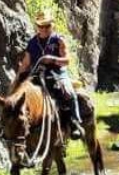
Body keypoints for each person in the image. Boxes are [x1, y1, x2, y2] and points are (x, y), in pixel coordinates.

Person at [17, 11, 83, 140]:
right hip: (38, 73)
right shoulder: (32, 43)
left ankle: (75, 123)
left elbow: (67, 60)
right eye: (41, 26)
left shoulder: (58, 40)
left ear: (52, 25)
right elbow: (26, 63)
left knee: (69, 93)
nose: (45, 29)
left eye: (47, 26)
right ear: (37, 27)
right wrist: (17, 80)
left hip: (57, 72)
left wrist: (52, 59)